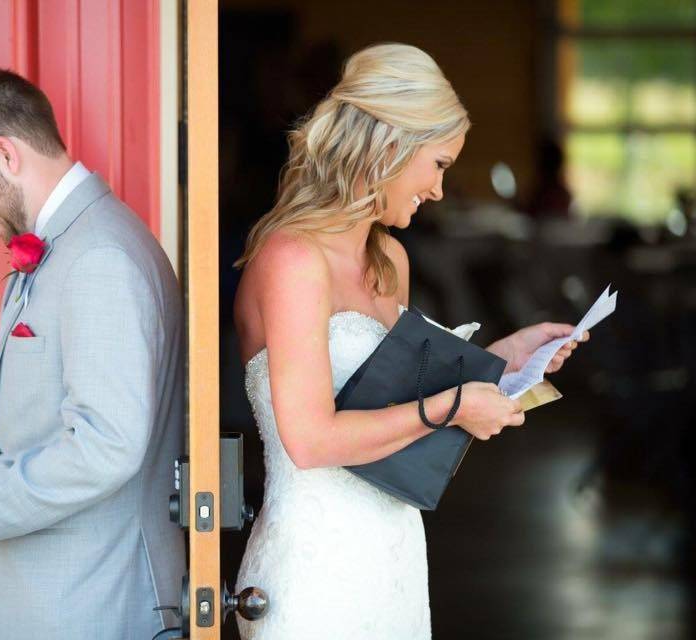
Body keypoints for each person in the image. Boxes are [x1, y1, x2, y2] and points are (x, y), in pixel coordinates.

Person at [232, 44, 588, 638]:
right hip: (316, 570)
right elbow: (313, 440)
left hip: (393, 554)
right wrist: (456, 406)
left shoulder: (389, 261)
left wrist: (502, 359)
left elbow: (392, 395)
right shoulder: (291, 259)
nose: (440, 191)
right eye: (441, 164)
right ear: (390, 147)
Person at [0, 68, 185, 638]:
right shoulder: (72, 245)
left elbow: (104, 446)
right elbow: (63, 422)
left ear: (5, 153)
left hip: (96, 607)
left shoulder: (100, 256)